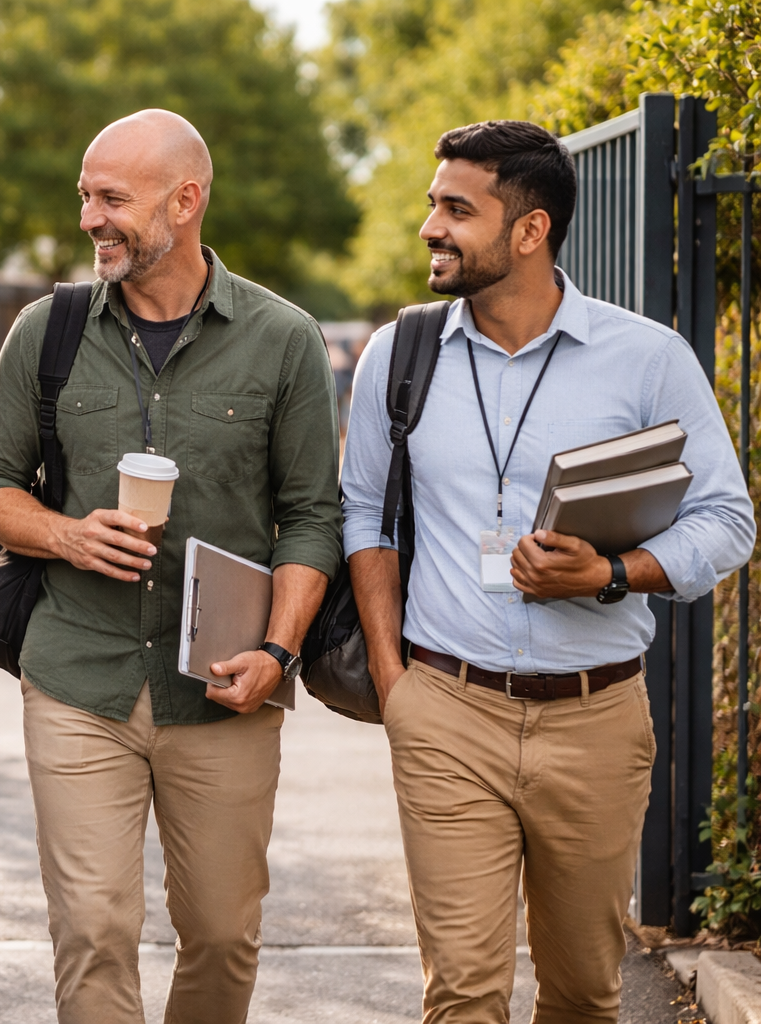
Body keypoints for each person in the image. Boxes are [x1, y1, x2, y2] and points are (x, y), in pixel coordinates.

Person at [342, 121, 755, 1022]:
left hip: (596, 720)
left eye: (458, 209)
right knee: (463, 993)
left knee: (582, 994)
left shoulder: (646, 359)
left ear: (530, 230)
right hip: (446, 710)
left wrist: (611, 572)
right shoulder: (397, 357)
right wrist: (392, 681)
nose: (431, 228)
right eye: (432, 205)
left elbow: (728, 521)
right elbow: (364, 514)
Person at [0, 109, 343, 1023]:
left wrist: (280, 654)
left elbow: (311, 515)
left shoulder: (283, 337)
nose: (92, 217)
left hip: (223, 685)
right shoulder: (45, 331)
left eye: (113, 198)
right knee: (93, 930)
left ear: (186, 200)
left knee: (220, 932)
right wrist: (64, 534)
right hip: (75, 678)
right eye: (86, 196)